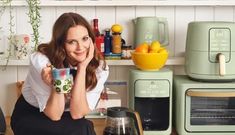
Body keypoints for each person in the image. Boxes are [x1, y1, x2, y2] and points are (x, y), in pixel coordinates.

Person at [11, 12, 109, 135]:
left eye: (84, 39)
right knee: (83, 129)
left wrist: (82, 68)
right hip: (32, 115)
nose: (80, 47)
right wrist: (56, 82)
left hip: (69, 116)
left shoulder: (99, 68)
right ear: (61, 44)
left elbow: (78, 113)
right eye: (72, 42)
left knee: (83, 126)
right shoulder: (41, 61)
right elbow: (54, 115)